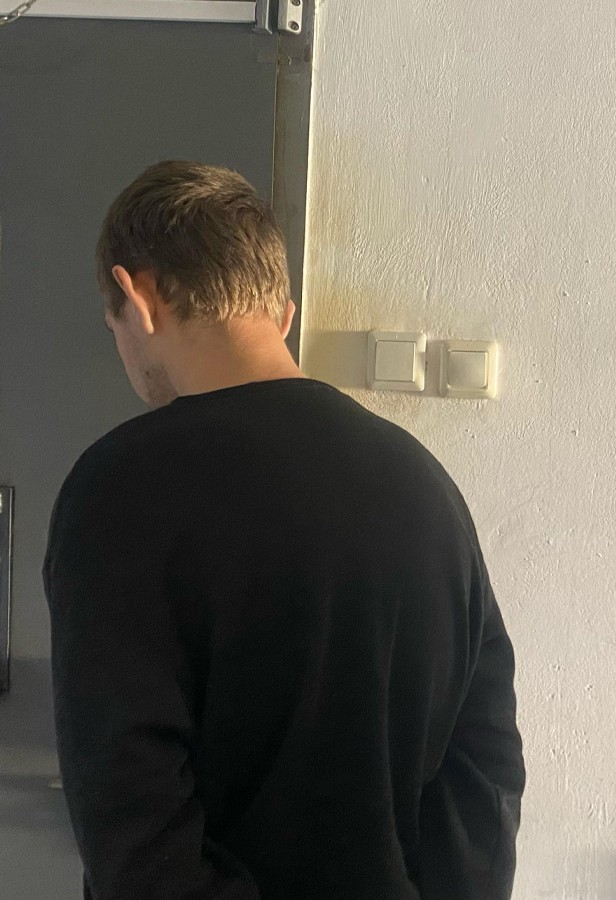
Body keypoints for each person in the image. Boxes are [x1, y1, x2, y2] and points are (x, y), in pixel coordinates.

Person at [43, 161, 524, 900]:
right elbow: (485, 763)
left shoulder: (119, 490)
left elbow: (130, 816)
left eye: (115, 327)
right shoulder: (423, 485)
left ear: (137, 299)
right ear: (283, 314)